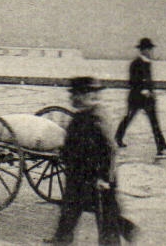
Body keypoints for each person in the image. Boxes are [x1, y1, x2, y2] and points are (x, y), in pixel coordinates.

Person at [51, 76, 127, 245]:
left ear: (86, 96)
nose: (72, 99)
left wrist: (105, 178)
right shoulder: (83, 115)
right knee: (70, 213)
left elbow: (110, 149)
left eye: (76, 95)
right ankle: (60, 241)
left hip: (94, 179)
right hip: (79, 177)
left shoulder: (96, 117)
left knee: (107, 222)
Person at [116, 38, 166, 157]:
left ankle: (161, 145)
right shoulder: (135, 63)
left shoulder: (147, 63)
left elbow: (149, 81)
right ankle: (118, 137)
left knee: (154, 122)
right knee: (128, 118)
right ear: (143, 50)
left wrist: (151, 92)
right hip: (136, 98)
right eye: (149, 49)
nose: (151, 51)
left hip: (148, 99)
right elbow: (133, 81)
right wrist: (143, 90)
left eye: (151, 49)